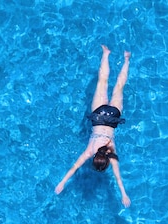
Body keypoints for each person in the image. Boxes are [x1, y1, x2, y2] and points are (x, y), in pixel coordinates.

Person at [54, 45, 132, 208]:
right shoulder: (90, 151)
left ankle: (126, 59)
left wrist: (124, 194)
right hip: (98, 115)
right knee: (102, 82)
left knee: (118, 86)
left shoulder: (111, 152)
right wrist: (62, 183)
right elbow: (74, 168)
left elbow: (118, 178)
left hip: (113, 117)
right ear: (96, 158)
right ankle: (106, 53)